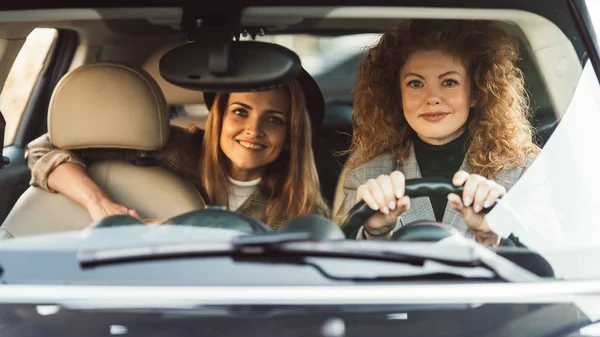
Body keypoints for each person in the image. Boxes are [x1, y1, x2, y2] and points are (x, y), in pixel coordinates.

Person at [26, 74, 329, 229]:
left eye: (274, 119)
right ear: (219, 118)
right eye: (240, 112)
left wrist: (180, 233)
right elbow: (44, 148)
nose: (254, 129)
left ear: (290, 136)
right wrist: (98, 203)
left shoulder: (300, 206)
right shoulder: (169, 149)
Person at [339, 19, 540, 246]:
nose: (432, 98)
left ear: (476, 92)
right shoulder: (366, 178)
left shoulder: (523, 172)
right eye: (415, 84)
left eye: (449, 82)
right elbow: (345, 267)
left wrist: (491, 236)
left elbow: (548, 264)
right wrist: (375, 232)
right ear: (397, 95)